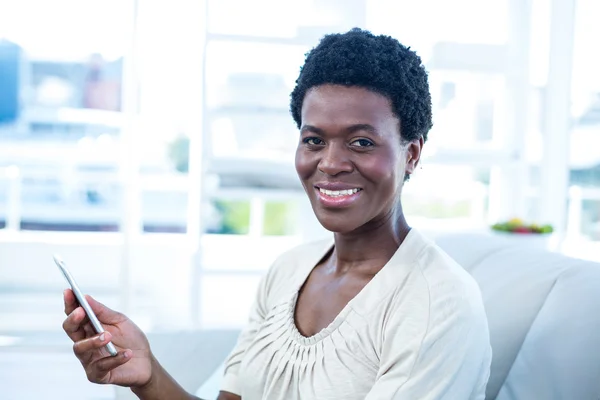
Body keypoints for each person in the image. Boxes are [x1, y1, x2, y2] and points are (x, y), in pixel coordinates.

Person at [62, 28, 492, 400]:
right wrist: (148, 374)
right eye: (314, 140)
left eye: (361, 142)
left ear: (411, 154)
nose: (330, 163)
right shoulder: (288, 271)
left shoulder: (438, 303)